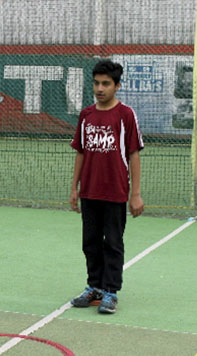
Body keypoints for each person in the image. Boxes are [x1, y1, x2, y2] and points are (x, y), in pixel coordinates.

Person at [69, 60, 144, 314]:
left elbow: (133, 153)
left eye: (106, 84)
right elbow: (80, 152)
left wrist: (135, 194)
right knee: (90, 242)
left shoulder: (125, 115)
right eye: (96, 83)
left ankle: (110, 291)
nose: (100, 88)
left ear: (117, 86)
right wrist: (74, 188)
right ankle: (94, 288)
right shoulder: (86, 115)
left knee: (112, 242)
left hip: (115, 193)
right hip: (89, 192)